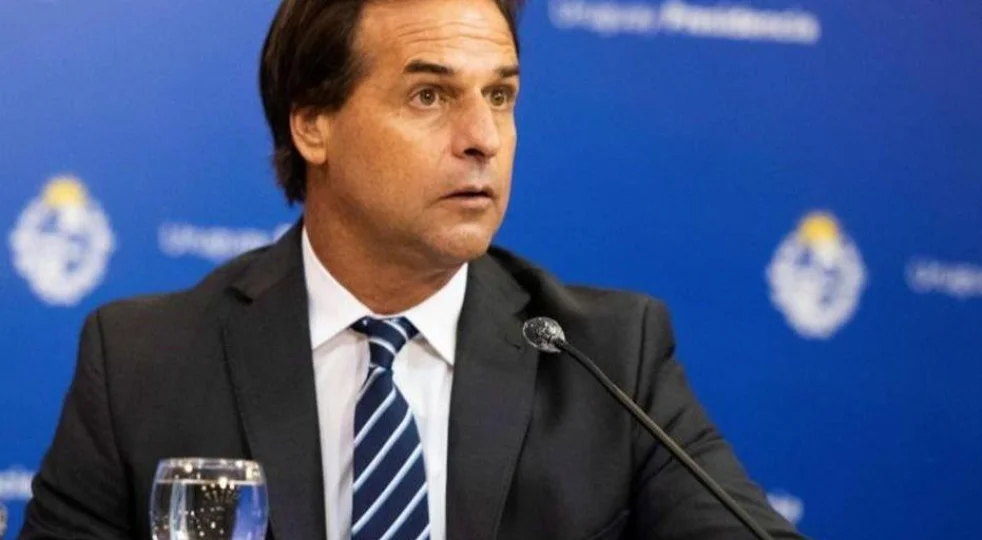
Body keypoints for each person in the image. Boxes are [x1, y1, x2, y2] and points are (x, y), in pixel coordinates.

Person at [20, 0, 806, 538]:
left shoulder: (609, 357)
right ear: (313, 124)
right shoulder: (143, 362)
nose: (482, 138)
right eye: (430, 96)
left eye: (500, 96)